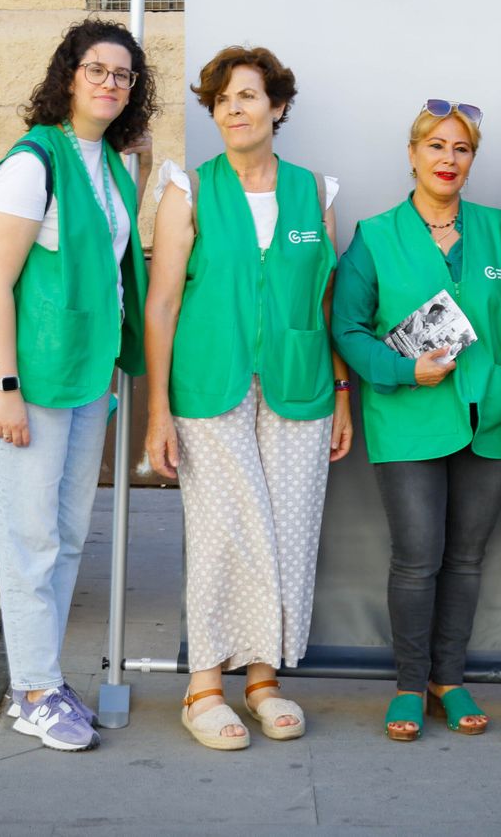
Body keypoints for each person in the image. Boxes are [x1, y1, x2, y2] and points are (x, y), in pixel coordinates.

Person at [144, 46, 351, 751]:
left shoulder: (314, 193)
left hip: (300, 385)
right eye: (223, 98)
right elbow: (163, 302)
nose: (234, 107)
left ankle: (262, 680)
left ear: (278, 107)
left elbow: (323, 302)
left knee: (290, 527)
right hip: (209, 386)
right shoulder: (188, 190)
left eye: (249, 95)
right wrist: (156, 413)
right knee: (225, 527)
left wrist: (343, 397)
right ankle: (204, 686)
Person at [0, 19, 155, 752]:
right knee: (29, 536)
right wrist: (7, 387)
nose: (111, 82)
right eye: (98, 69)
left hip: (83, 379)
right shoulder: (30, 163)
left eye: (124, 75)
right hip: (30, 380)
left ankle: (43, 673)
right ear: (68, 75)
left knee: (69, 533)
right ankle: (34, 690)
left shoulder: (108, 163)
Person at [332, 100, 501, 742]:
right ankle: (409, 684)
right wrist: (402, 371)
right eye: (436, 146)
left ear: (472, 161)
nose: (448, 159)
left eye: (461, 149)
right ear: (413, 153)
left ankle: (450, 678)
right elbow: (347, 327)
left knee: (467, 560)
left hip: (492, 417)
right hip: (408, 416)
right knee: (418, 560)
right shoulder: (375, 234)